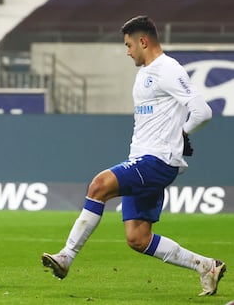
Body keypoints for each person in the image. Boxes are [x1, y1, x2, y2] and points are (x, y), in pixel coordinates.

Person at [41, 16, 226, 296]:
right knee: (138, 238)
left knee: (98, 185)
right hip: (143, 159)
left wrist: (183, 134)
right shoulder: (145, 73)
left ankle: (67, 256)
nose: (127, 51)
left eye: (129, 45)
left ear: (143, 41)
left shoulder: (168, 69)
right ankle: (206, 266)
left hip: (157, 161)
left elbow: (203, 111)